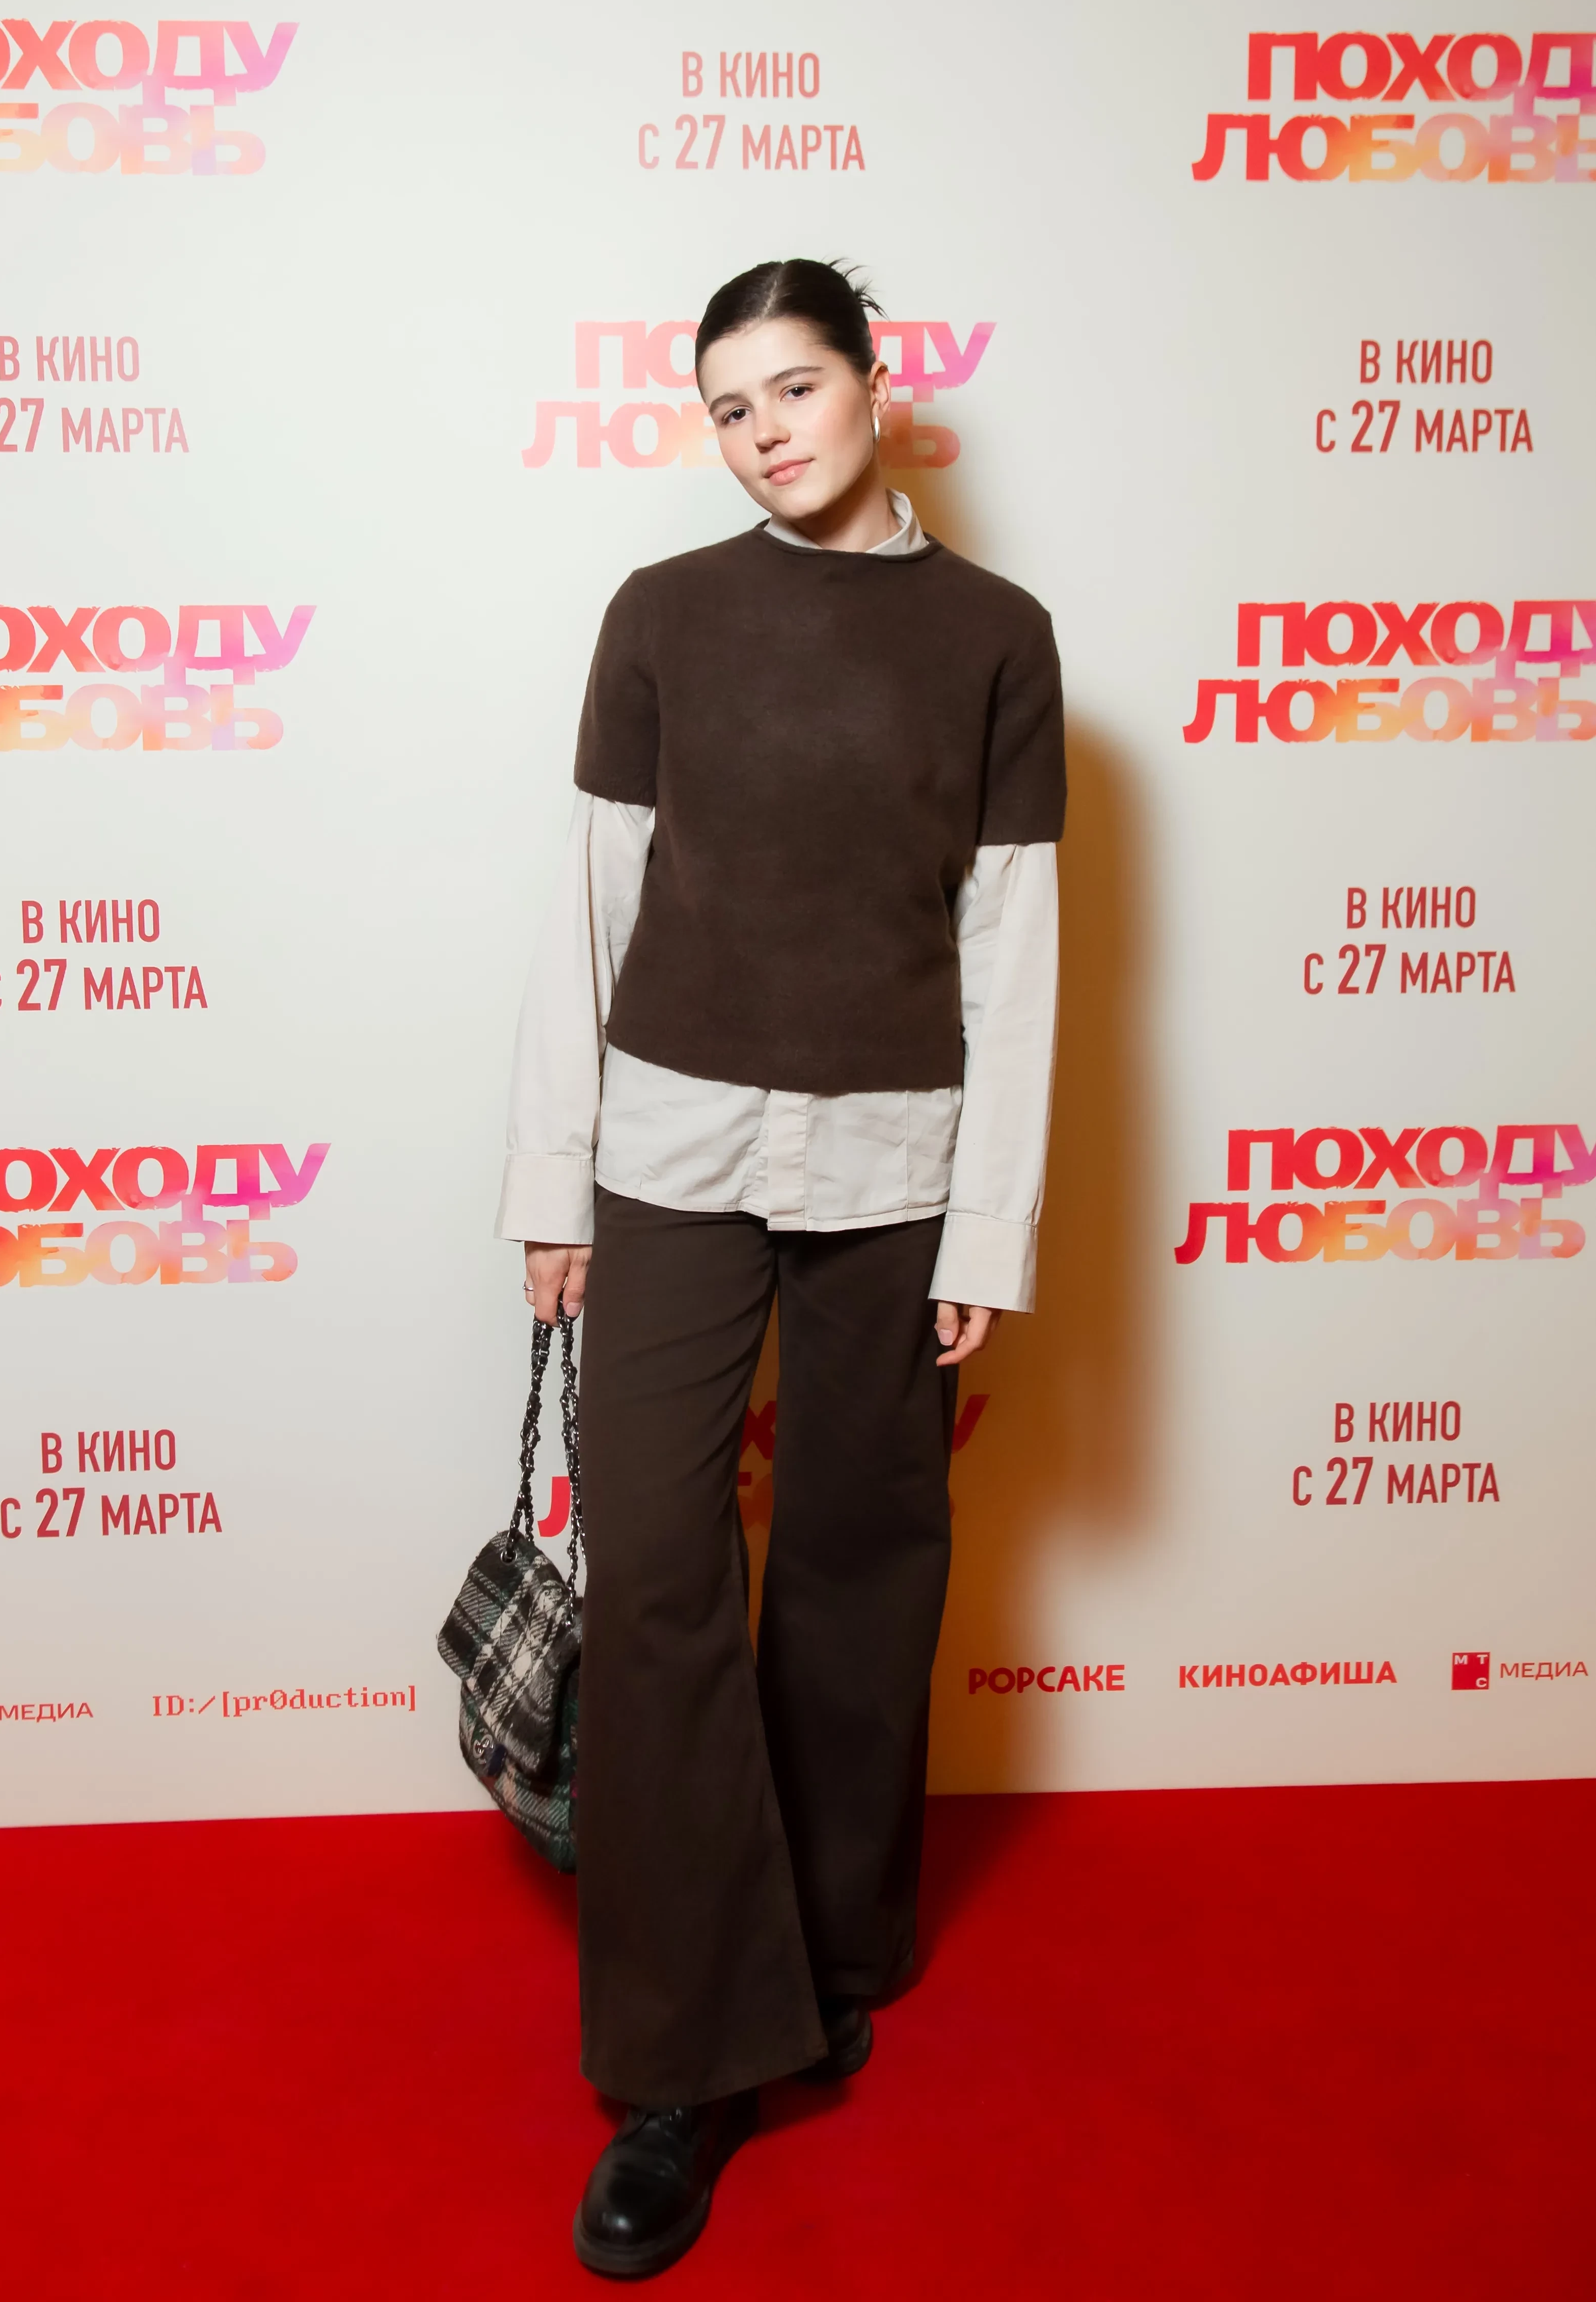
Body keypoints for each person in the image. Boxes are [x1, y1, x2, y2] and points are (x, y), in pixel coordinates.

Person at [497, 257, 1064, 2278]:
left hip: (900, 1159)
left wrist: (989, 1218)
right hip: (668, 1148)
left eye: (796, 388)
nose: (765, 433)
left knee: (860, 1550)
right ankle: (684, 2063)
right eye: (731, 407)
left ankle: (833, 1949)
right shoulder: (661, 614)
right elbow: (590, 906)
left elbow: (1012, 944)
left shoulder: (998, 638)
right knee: (660, 1564)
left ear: (878, 385)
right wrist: (554, 1186)